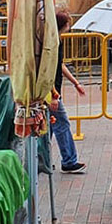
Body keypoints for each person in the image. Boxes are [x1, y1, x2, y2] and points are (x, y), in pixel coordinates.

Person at [49, 10, 88, 174]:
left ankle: (41, 159)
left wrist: (75, 83)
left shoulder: (56, 41)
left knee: (49, 127)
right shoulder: (52, 43)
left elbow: (60, 65)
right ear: (64, 25)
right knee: (62, 123)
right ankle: (69, 161)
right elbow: (48, 69)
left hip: (53, 92)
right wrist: (53, 94)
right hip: (51, 93)